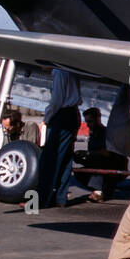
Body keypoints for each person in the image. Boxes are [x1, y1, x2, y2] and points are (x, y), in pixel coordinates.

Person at [35, 67, 81, 207]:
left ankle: (40, 200)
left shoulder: (59, 72)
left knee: (49, 159)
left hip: (62, 115)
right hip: (73, 114)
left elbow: (56, 100)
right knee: (66, 158)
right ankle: (61, 198)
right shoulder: (71, 70)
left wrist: (46, 119)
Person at [78, 106, 129, 202]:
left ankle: (99, 191)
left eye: (90, 121)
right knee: (80, 172)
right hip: (102, 164)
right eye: (86, 122)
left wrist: (88, 153)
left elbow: (107, 153)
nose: (88, 125)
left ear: (98, 118)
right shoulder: (93, 135)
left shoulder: (106, 133)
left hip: (114, 165)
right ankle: (104, 190)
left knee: (99, 160)